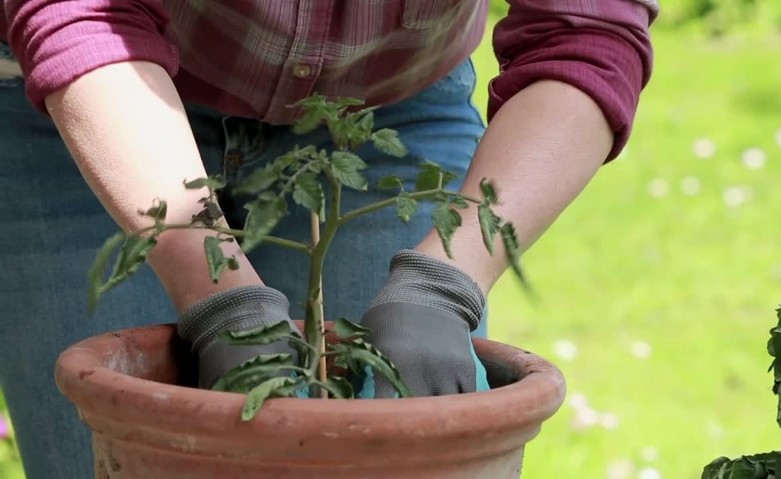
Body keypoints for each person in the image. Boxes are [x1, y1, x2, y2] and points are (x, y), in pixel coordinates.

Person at [0, 0, 658, 477]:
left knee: (403, 448)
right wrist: (220, 294)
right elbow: (81, 12)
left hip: (385, 106)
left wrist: (442, 282)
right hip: (91, 91)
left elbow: (588, 30)